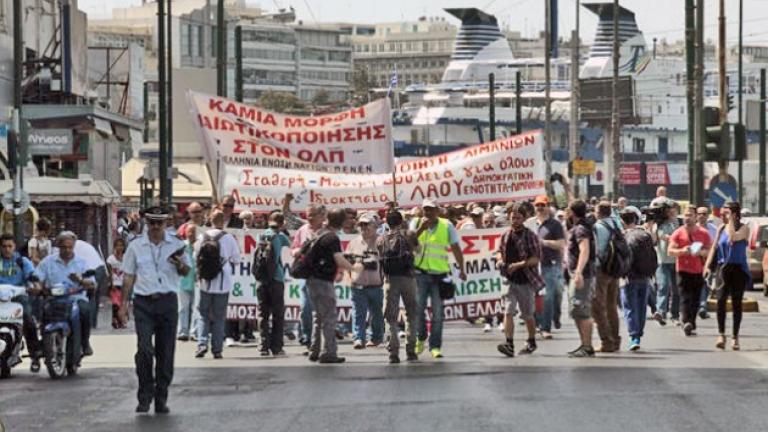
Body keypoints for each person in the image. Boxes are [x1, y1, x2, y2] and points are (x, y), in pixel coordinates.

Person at [118, 207, 190, 414]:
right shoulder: (135, 246)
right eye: (152, 223)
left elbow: (187, 272)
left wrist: (179, 264)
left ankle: (161, 396)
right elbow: (128, 277)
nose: (156, 227)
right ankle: (144, 394)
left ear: (166, 223)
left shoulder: (177, 244)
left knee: (165, 352)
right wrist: (123, 306)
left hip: (167, 301)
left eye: (160, 223)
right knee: (144, 350)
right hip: (144, 302)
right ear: (146, 223)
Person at [411, 199, 467, 359]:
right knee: (418, 310)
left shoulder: (446, 225)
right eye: (425, 210)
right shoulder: (415, 222)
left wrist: (462, 269)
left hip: (439, 275)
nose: (427, 213)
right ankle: (421, 337)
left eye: (431, 210)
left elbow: (456, 247)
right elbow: (409, 241)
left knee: (437, 313)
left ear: (437, 211)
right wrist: (421, 228)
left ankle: (435, 346)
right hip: (420, 273)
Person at [35, 231, 96, 361]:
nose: (67, 250)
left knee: (85, 310)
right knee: (43, 310)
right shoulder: (48, 262)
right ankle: (44, 342)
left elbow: (92, 283)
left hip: (76, 298)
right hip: (54, 298)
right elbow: (37, 279)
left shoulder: (82, 263)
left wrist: (80, 280)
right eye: (64, 247)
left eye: (70, 247)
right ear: (58, 246)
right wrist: (38, 287)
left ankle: (85, 342)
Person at [306, 208, 356, 363]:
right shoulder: (332, 238)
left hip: (312, 279)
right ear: (342, 222)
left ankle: (314, 350)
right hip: (323, 281)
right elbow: (338, 259)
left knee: (318, 316)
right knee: (329, 317)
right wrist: (354, 268)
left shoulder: (320, 233)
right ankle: (329, 353)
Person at [495, 202, 544, 357]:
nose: (514, 220)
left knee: (527, 314)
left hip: (525, 279)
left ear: (523, 218)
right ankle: (509, 343)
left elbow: (536, 258)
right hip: (509, 279)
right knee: (508, 311)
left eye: (517, 218)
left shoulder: (530, 236)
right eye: (512, 217)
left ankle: (531, 340)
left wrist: (519, 265)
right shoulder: (505, 234)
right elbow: (498, 251)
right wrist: (499, 260)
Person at [195, 209, 241, 359]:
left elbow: (196, 256)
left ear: (210, 220)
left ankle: (202, 344)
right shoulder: (229, 238)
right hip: (222, 282)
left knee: (203, 314)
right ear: (223, 220)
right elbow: (236, 259)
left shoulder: (202, 236)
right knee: (219, 316)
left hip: (205, 282)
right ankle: (217, 349)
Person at [704, 201, 749, 350]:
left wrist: (730, 221)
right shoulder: (721, 228)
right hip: (723, 268)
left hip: (738, 269)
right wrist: (707, 265)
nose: (723, 215)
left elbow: (732, 238)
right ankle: (721, 333)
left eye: (727, 213)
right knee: (721, 300)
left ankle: (735, 337)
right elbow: (714, 247)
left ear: (735, 214)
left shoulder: (744, 228)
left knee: (737, 303)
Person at [378, 210, 419, 363]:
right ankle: (411, 349)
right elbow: (418, 250)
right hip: (408, 278)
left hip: (390, 280)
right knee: (411, 314)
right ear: (401, 221)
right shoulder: (409, 235)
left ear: (387, 223)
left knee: (391, 317)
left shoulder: (381, 239)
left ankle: (393, 351)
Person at [667, 206, 711, 337]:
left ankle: (691, 321)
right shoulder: (678, 233)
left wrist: (700, 252)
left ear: (695, 217)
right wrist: (682, 251)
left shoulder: (703, 233)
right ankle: (686, 321)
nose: (687, 218)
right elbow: (670, 251)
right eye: (685, 215)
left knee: (696, 299)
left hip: (698, 270)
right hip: (683, 270)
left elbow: (709, 251)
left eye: (690, 215)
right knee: (685, 297)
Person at [0, 234, 41, 372]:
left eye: (9, 246)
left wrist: (35, 285)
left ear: (14, 247)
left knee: (28, 320)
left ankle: (35, 355)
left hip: (18, 296)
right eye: (4, 246)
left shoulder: (22, 261)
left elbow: (32, 276)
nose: (7, 249)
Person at [619, 206, 657, 351]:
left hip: (629, 278)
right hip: (644, 277)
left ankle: (633, 336)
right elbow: (653, 256)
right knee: (641, 308)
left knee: (629, 308)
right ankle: (638, 336)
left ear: (622, 221)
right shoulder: (645, 235)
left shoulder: (622, 237)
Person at [345, 213, 385, 349]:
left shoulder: (381, 241)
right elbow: (346, 262)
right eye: (361, 224)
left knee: (376, 314)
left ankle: (376, 338)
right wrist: (349, 279)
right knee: (358, 313)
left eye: (367, 224)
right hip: (358, 285)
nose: (364, 227)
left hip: (376, 285)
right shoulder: (353, 243)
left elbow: (386, 262)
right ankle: (359, 338)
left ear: (374, 226)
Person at [291, 203, 327, 350]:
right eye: (308, 214)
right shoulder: (302, 230)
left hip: (323, 276)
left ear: (321, 216)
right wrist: (299, 251)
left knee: (322, 312)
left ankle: (321, 342)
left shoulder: (326, 232)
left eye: (312, 215)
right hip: (307, 276)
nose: (309, 218)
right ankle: (307, 339)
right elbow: (293, 249)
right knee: (306, 308)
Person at [532, 195, 565, 340]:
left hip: (550, 264)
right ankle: (541, 325)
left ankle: (551, 321)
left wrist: (544, 243)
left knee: (551, 296)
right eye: (537, 205)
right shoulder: (529, 224)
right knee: (535, 297)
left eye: (542, 205)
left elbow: (561, 244)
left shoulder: (555, 224)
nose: (540, 207)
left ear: (547, 206)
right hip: (533, 265)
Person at [257, 212, 291, 356]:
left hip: (262, 279)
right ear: (281, 223)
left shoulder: (262, 235)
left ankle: (263, 346)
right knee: (277, 313)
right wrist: (283, 229)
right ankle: (277, 347)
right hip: (276, 278)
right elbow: (289, 244)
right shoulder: (280, 236)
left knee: (262, 313)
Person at [566, 200, 596, 358]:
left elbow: (584, 250)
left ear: (573, 212)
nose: (565, 211)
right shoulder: (580, 226)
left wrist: (578, 272)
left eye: (568, 209)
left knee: (581, 309)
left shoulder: (581, 230)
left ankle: (587, 345)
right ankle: (584, 344)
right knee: (577, 310)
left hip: (582, 275)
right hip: (578, 274)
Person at [591, 201, 622, 352]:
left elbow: (598, 250)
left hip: (601, 270)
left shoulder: (598, 226)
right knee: (611, 306)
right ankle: (615, 340)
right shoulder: (616, 224)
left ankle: (606, 342)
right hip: (614, 269)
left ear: (599, 212)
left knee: (597, 307)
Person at [651, 199, 679, 326]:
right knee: (663, 286)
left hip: (676, 260)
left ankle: (675, 314)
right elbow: (660, 237)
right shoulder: (658, 224)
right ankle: (661, 312)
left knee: (676, 289)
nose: (669, 211)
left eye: (671, 208)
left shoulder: (678, 222)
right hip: (662, 260)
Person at [176, 224, 198, 341]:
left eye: (194, 232)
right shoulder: (181, 246)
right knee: (183, 308)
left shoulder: (200, 245)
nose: (191, 234)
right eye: (189, 232)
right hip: (183, 281)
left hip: (197, 281)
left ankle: (194, 331)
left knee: (196, 308)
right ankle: (182, 331)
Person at [696, 207, 718, 319]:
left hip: (709, 260)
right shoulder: (692, 229)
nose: (701, 216)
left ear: (708, 215)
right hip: (695, 260)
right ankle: (700, 306)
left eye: (704, 214)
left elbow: (715, 245)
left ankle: (702, 307)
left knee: (705, 283)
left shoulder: (713, 229)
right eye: (699, 214)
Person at [107, 238, 127, 330]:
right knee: (115, 303)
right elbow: (110, 272)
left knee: (123, 303)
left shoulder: (127, 257)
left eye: (121, 245)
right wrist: (111, 283)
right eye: (117, 245)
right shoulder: (111, 259)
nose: (119, 247)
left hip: (124, 284)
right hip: (115, 284)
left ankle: (122, 320)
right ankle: (115, 320)